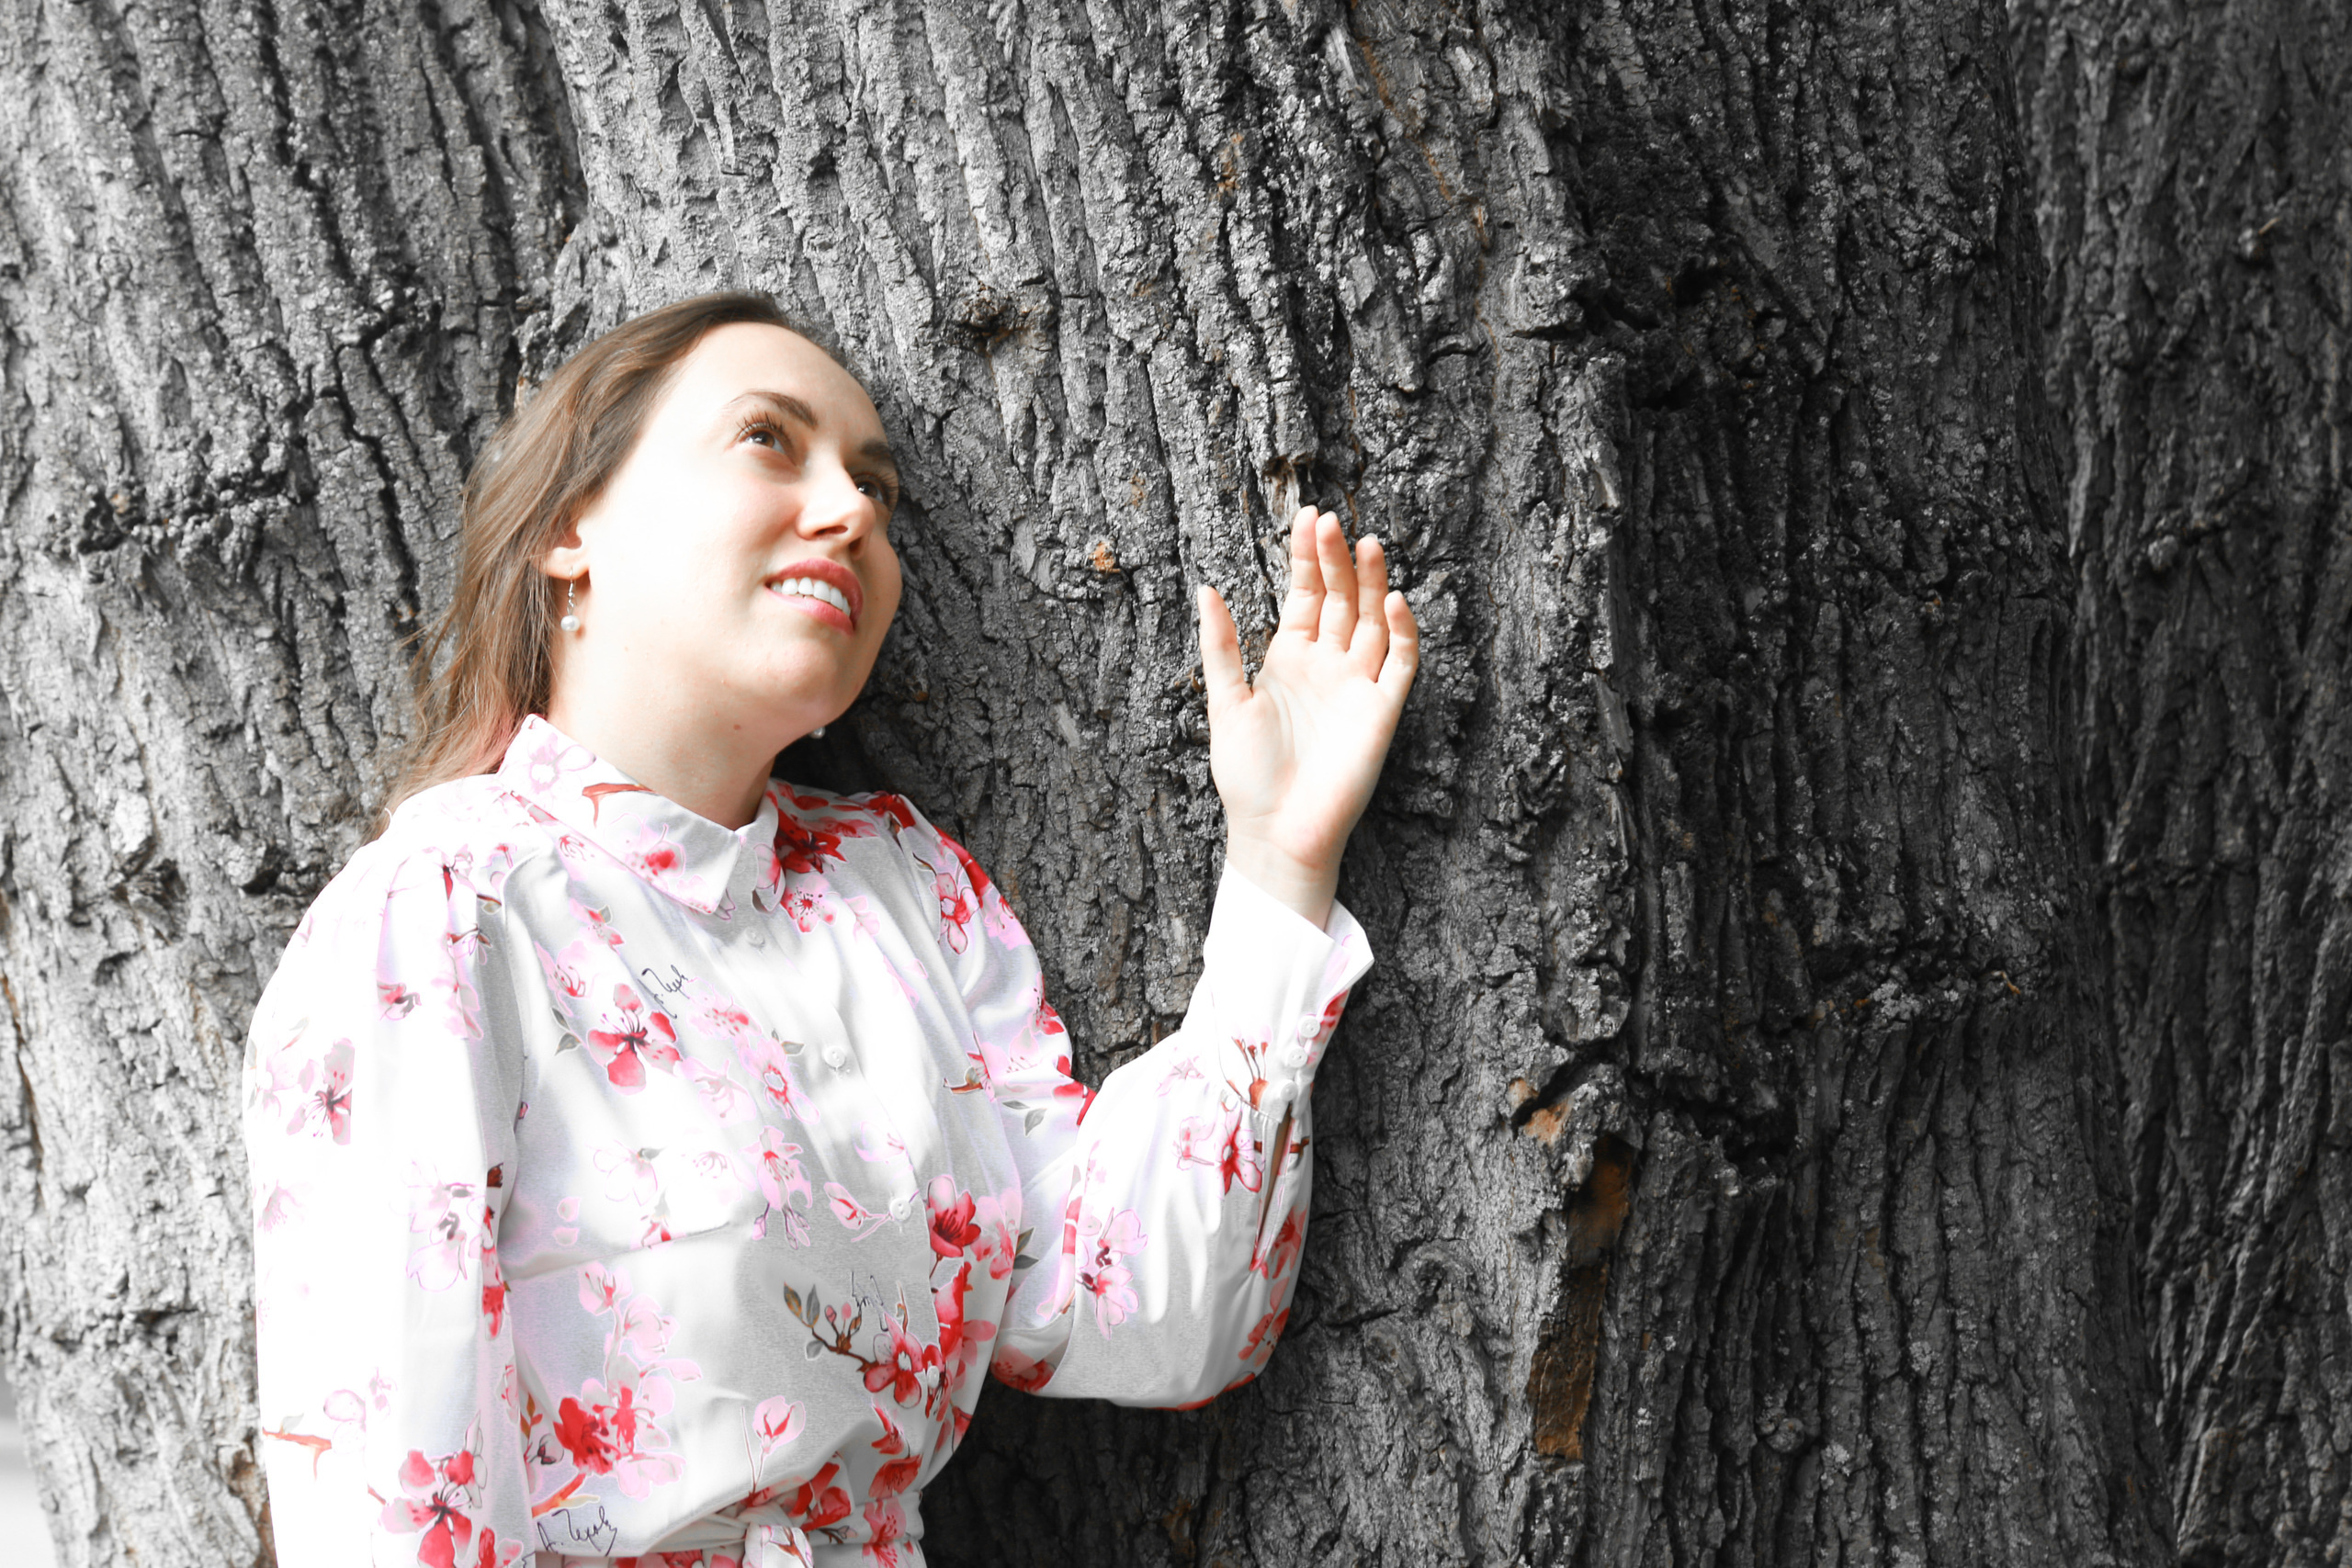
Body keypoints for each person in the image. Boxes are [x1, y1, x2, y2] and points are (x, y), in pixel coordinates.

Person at [242, 292, 1419, 1568]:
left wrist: (1280, 867)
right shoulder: (444, 917)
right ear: (571, 530)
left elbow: (1149, 1309)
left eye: (876, 487)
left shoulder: (902, 891)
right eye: (768, 439)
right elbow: (387, 1513)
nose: (852, 509)